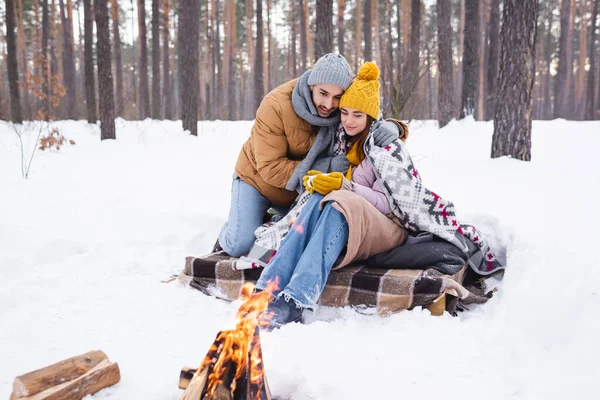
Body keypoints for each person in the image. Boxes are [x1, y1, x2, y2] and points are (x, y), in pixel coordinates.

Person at [254, 62, 410, 329]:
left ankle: (297, 300)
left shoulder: (384, 146)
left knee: (339, 200)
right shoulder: (343, 139)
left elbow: (390, 203)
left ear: (371, 117)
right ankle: (267, 287)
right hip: (354, 217)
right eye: (345, 112)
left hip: (388, 226)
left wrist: (346, 187)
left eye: (358, 115)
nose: (348, 120)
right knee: (319, 197)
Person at [217, 53, 404, 257]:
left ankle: (273, 218)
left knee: (301, 245)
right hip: (258, 182)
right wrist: (330, 167)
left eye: (337, 97)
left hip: (303, 194)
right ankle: (235, 225)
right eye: (323, 93)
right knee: (240, 245)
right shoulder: (275, 105)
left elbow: (369, 117)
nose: (329, 104)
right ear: (311, 85)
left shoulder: (343, 108)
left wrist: (394, 127)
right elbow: (270, 168)